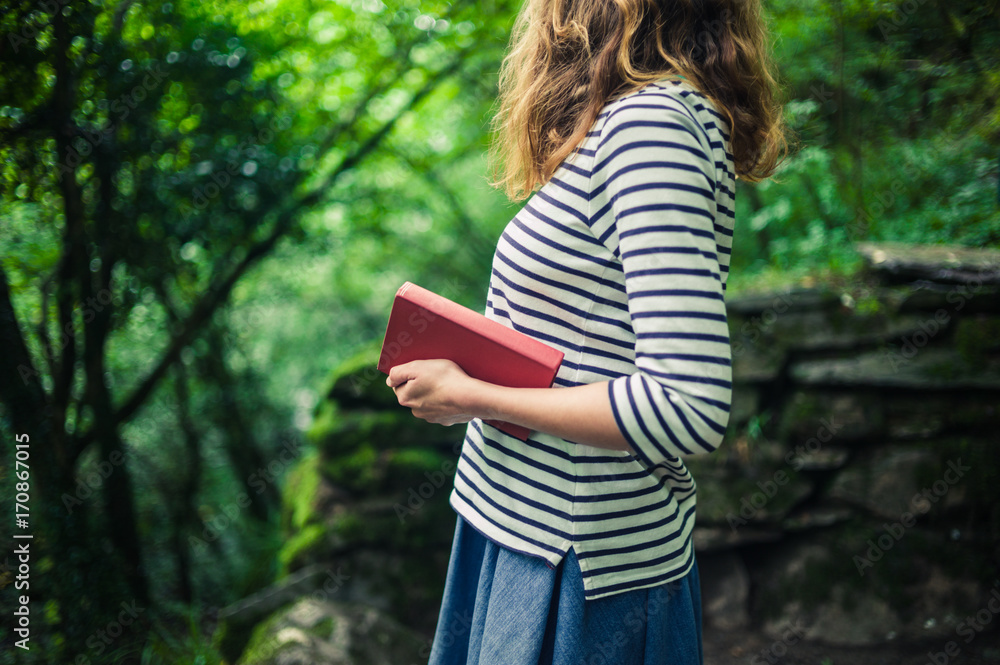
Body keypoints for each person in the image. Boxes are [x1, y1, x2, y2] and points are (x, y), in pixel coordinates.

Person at [386, 0, 788, 662]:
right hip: (522, 532)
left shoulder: (653, 127)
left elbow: (687, 406)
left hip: (582, 572)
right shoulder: (630, 122)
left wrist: (474, 396)